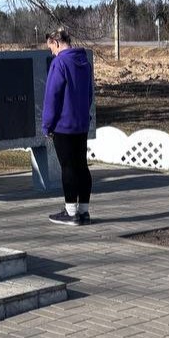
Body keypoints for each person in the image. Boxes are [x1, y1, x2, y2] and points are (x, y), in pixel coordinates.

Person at [42, 28, 94, 225]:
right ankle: (84, 211)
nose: (51, 53)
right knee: (82, 166)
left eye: (50, 48)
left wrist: (47, 125)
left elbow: (52, 96)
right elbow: (89, 94)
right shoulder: (84, 62)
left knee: (68, 167)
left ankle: (70, 212)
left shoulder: (60, 63)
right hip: (81, 124)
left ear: (56, 42)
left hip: (63, 125)